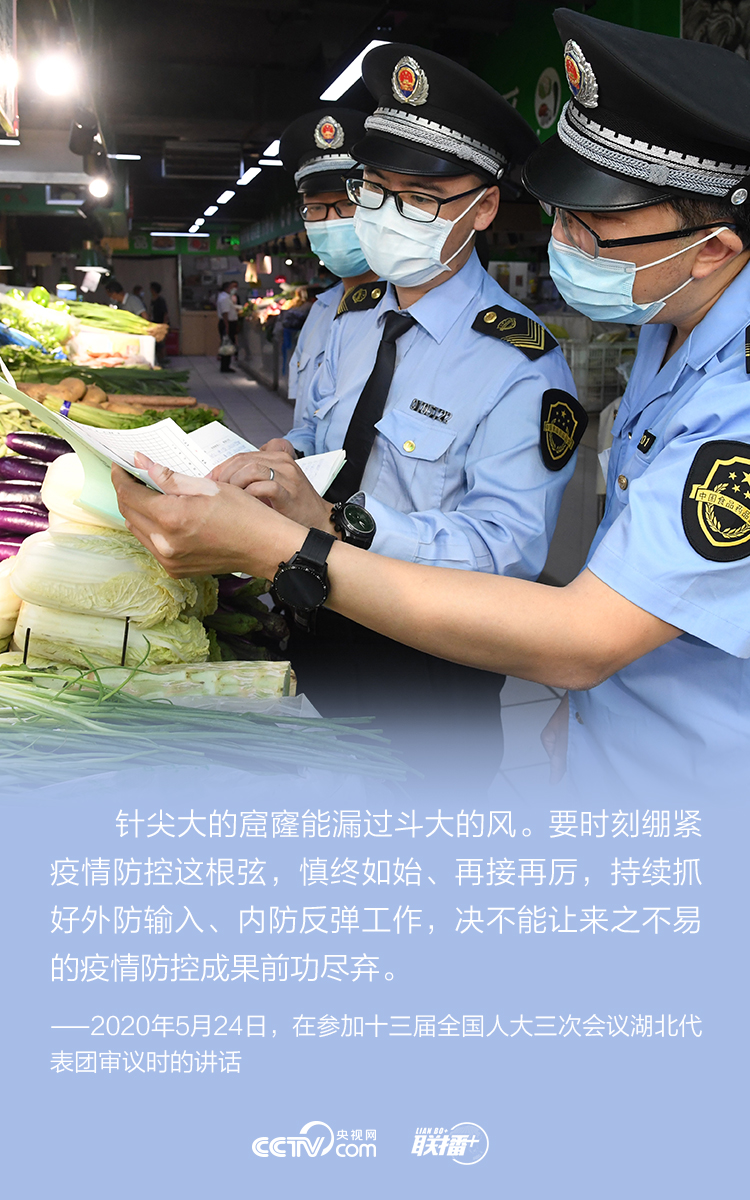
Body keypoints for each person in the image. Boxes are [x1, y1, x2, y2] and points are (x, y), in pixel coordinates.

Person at [114, 11, 750, 792]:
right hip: (604, 736)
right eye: (563, 213)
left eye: (595, 228)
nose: (564, 242)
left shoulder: (614, 376)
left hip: (674, 770)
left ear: (714, 249)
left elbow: (576, 622)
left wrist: (302, 539)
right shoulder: (666, 328)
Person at [116, 43, 584, 780]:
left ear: (484, 206)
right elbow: (317, 433)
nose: (389, 215)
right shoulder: (352, 316)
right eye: (375, 189)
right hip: (313, 608)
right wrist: (278, 462)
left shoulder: (521, 363)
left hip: (427, 656)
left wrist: (342, 523)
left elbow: (507, 550)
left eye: (421, 198)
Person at [278, 108, 378, 424]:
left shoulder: (403, 313)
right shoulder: (321, 311)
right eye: (316, 208)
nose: (331, 221)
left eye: (347, 204)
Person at [216, 280, 239, 373]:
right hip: (227, 323)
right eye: (231, 288)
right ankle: (225, 366)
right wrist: (227, 326)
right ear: (226, 288)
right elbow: (225, 313)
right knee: (227, 344)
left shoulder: (225, 297)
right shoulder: (224, 298)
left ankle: (226, 365)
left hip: (227, 323)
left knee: (227, 343)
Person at [150, 282, 169, 365]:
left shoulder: (161, 300)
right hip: (154, 322)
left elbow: (165, 313)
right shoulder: (153, 300)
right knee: (156, 343)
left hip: (160, 322)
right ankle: (158, 359)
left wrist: (164, 324)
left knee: (161, 343)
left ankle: (163, 359)